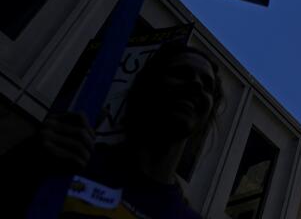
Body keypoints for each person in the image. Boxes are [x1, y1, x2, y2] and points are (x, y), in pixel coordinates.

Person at [1, 42, 223, 218]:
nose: (196, 84)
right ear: (146, 88)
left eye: (207, 84)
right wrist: (25, 162)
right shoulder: (63, 160)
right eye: (181, 73)